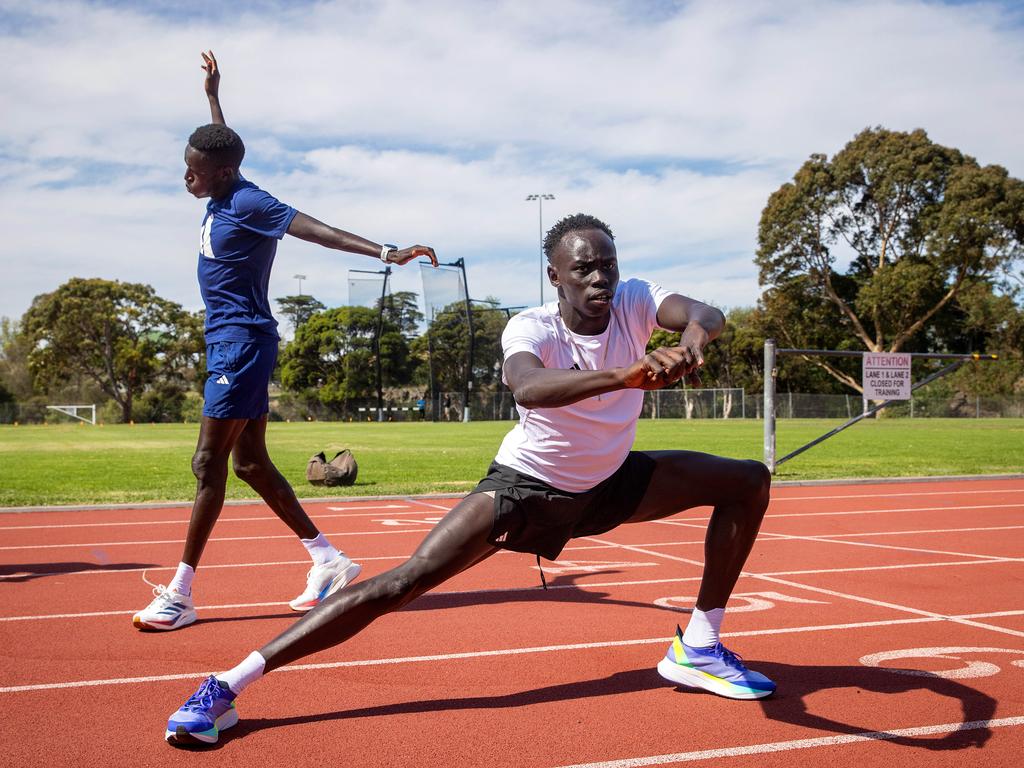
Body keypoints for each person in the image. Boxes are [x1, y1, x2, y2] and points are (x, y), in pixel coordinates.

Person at [164, 213, 773, 745]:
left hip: (612, 484)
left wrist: (690, 344)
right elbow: (530, 386)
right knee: (401, 583)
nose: (600, 280)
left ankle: (698, 645)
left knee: (748, 480)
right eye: (584, 270)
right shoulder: (531, 328)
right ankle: (227, 683)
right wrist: (626, 375)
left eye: (608, 267)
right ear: (555, 277)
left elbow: (705, 313)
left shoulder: (635, 300)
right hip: (526, 489)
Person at [133, 51, 438, 632]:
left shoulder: (248, 202)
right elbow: (224, 145)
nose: (185, 175)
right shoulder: (225, 188)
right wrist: (213, 99)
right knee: (248, 463)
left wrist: (384, 251)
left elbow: (315, 229)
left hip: (241, 344)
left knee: (207, 463)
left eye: (193, 169)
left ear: (220, 173)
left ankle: (181, 594)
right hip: (228, 342)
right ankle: (327, 559)